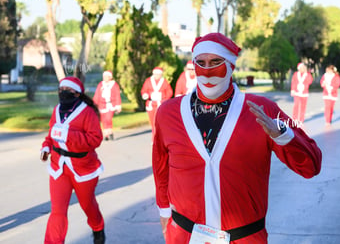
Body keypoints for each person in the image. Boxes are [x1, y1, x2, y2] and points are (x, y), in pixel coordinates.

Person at [152, 33, 322, 243]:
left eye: (216, 62)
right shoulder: (168, 113)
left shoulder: (262, 109)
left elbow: (311, 166)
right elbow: (161, 168)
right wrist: (164, 212)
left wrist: (282, 134)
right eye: (201, 63)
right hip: (184, 235)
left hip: (244, 237)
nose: (207, 71)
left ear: (231, 65)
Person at [40, 76, 105, 244]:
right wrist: (46, 147)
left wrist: (69, 135)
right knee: (57, 212)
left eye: (68, 90)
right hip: (58, 167)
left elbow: (95, 139)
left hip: (83, 168)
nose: (63, 93)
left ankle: (98, 227)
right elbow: (51, 134)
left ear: (77, 93)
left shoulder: (87, 112)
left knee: (87, 205)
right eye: (61, 90)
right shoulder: (56, 110)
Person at [141, 67, 173, 135]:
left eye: (158, 74)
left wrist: (164, 99)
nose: (157, 76)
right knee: (153, 123)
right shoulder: (148, 81)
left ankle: (158, 139)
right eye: (155, 74)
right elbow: (144, 90)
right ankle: (154, 139)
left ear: (161, 74)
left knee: (159, 123)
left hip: (160, 104)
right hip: (151, 104)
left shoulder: (164, 81)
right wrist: (145, 95)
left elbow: (169, 92)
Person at [93, 70, 122, 141]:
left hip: (111, 105)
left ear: (110, 77)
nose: (104, 78)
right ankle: (106, 134)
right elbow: (97, 94)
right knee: (103, 120)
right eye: (104, 76)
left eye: (106, 76)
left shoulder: (114, 85)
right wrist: (94, 104)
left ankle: (110, 132)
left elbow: (117, 95)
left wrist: (118, 105)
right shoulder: (101, 84)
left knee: (108, 119)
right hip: (101, 105)